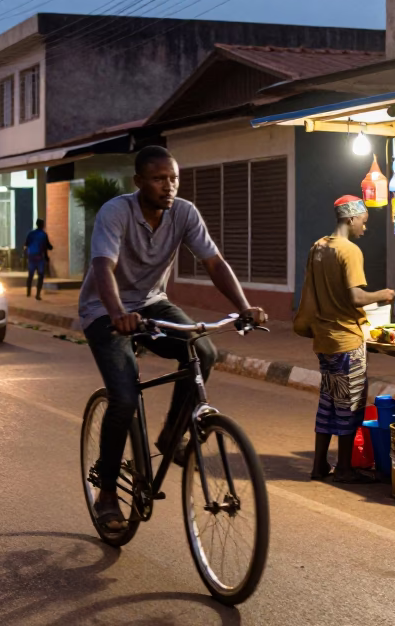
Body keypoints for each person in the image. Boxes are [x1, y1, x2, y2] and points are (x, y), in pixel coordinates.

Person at [80, 145, 266, 534]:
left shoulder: (184, 213)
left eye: (173, 178)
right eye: (159, 179)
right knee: (125, 397)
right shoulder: (116, 212)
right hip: (105, 310)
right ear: (139, 182)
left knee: (204, 351)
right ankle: (108, 494)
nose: (168, 186)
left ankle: (171, 434)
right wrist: (117, 314)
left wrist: (245, 306)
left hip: (152, 304)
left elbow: (214, 262)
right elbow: (103, 266)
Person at [294, 196, 395, 483]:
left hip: (324, 340)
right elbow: (355, 297)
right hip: (347, 341)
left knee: (328, 402)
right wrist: (383, 295)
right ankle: (344, 468)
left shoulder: (319, 246)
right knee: (351, 405)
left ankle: (318, 466)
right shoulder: (349, 251)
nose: (365, 226)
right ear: (351, 219)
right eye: (363, 220)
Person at [24, 219, 53, 300]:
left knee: (30, 275)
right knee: (40, 276)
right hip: (40, 258)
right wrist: (49, 250)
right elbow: (47, 246)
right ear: (42, 225)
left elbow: (26, 244)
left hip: (31, 257)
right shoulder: (43, 235)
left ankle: (28, 292)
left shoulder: (30, 234)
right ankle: (37, 294)